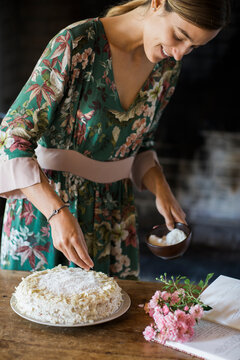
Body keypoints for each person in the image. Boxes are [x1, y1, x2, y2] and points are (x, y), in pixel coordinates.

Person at [0, 0, 230, 278]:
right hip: (47, 216)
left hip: (113, 220)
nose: (181, 54)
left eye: (193, 47)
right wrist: (56, 213)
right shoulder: (77, 42)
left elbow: (141, 141)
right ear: (157, 4)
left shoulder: (167, 67)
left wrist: (161, 188)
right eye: (180, 36)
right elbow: (13, 138)